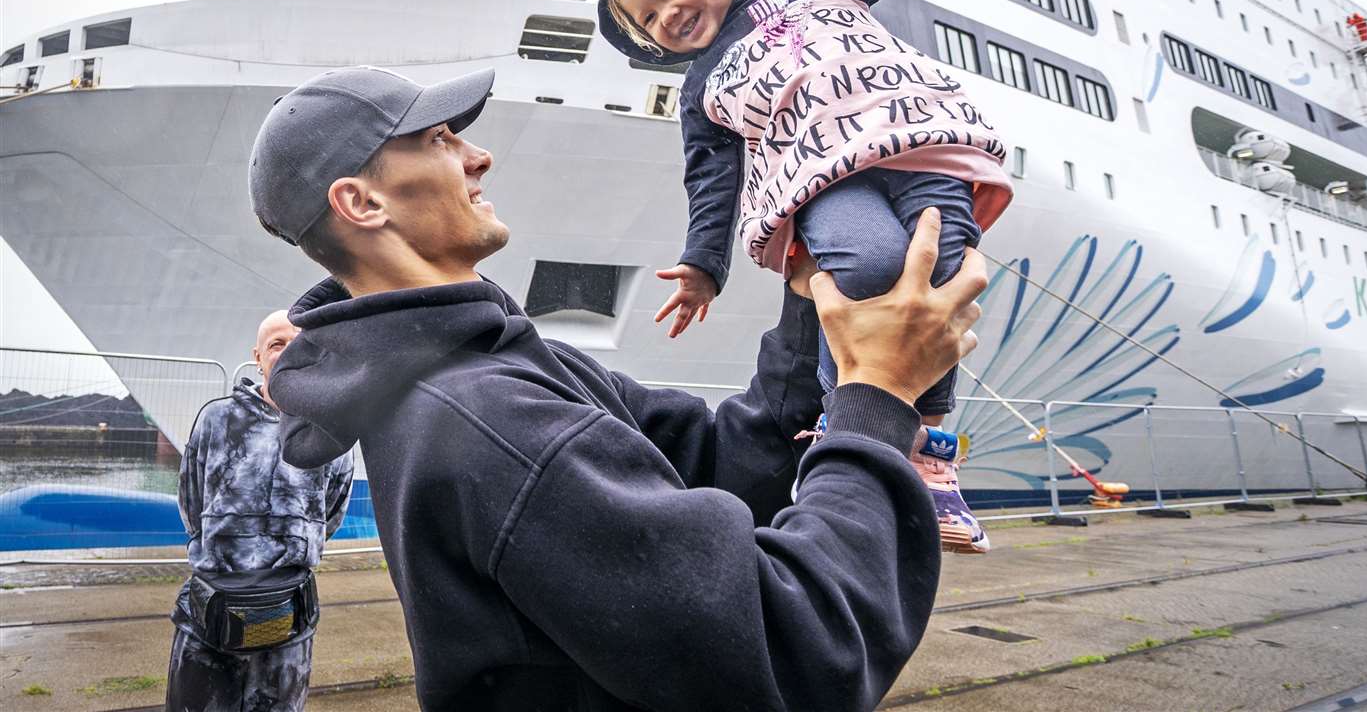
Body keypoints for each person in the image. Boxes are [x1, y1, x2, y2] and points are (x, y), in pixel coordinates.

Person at [248, 64, 986, 711]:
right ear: (362, 204)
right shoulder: (485, 416)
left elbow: (729, 458)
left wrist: (816, 288)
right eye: (440, 140)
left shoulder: (513, 366)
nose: (478, 156)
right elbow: (796, 654)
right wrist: (877, 396)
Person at [597, 0, 1011, 552]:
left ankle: (926, 450)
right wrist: (702, 264)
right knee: (859, 271)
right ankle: (847, 424)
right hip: (824, 180)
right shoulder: (701, 88)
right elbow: (712, 180)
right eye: (650, 20)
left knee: (946, 273)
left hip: (920, 142)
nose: (669, 15)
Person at [166, 309, 355, 712]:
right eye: (276, 344)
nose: (288, 352)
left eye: (299, 343)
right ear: (257, 356)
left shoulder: (333, 432)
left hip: (287, 615)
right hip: (211, 610)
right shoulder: (216, 420)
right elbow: (191, 499)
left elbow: (331, 511)